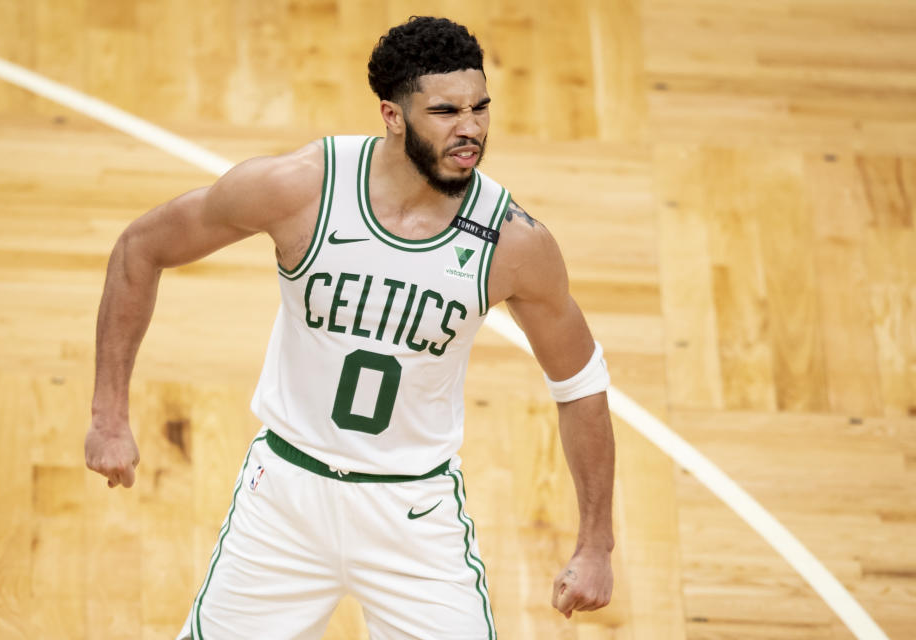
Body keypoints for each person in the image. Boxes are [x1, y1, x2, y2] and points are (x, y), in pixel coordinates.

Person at [84, 16, 615, 640]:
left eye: (480, 108)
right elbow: (140, 249)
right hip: (284, 495)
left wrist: (596, 544)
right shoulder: (301, 188)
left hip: (413, 514)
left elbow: (580, 381)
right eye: (446, 110)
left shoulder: (513, 244)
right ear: (392, 115)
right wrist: (108, 415)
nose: (469, 128)